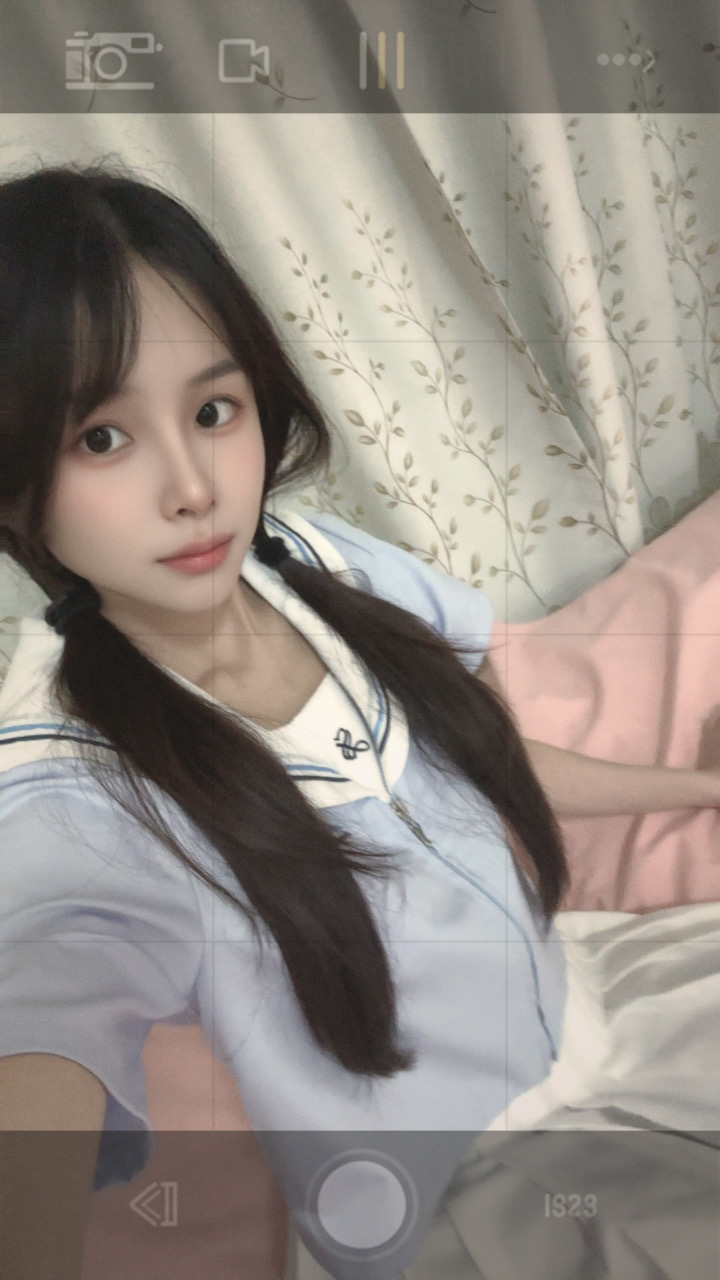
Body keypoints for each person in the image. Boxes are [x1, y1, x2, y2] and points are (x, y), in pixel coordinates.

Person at [1, 161, 719, 1280]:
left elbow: (474, 759)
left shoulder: (314, 562)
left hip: (590, 1008)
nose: (193, 487)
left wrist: (700, 789)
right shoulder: (69, 779)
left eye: (213, 410)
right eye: (101, 437)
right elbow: (47, 1006)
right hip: (455, 1198)